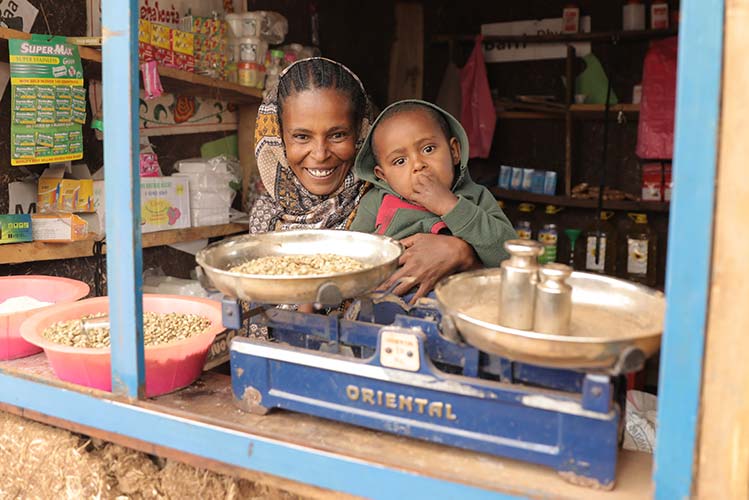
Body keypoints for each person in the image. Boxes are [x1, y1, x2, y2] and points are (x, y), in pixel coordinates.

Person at [249, 58, 481, 302]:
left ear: (360, 133)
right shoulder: (266, 217)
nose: (320, 154)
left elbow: (495, 276)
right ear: (278, 138)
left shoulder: (397, 192)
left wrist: (462, 252)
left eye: (337, 135)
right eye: (301, 136)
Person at [350, 99, 516, 267]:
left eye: (428, 149)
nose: (418, 164)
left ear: (454, 152)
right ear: (383, 175)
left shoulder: (476, 197)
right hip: (389, 290)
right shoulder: (375, 202)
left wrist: (450, 206)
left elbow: (509, 257)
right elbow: (352, 257)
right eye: (400, 161)